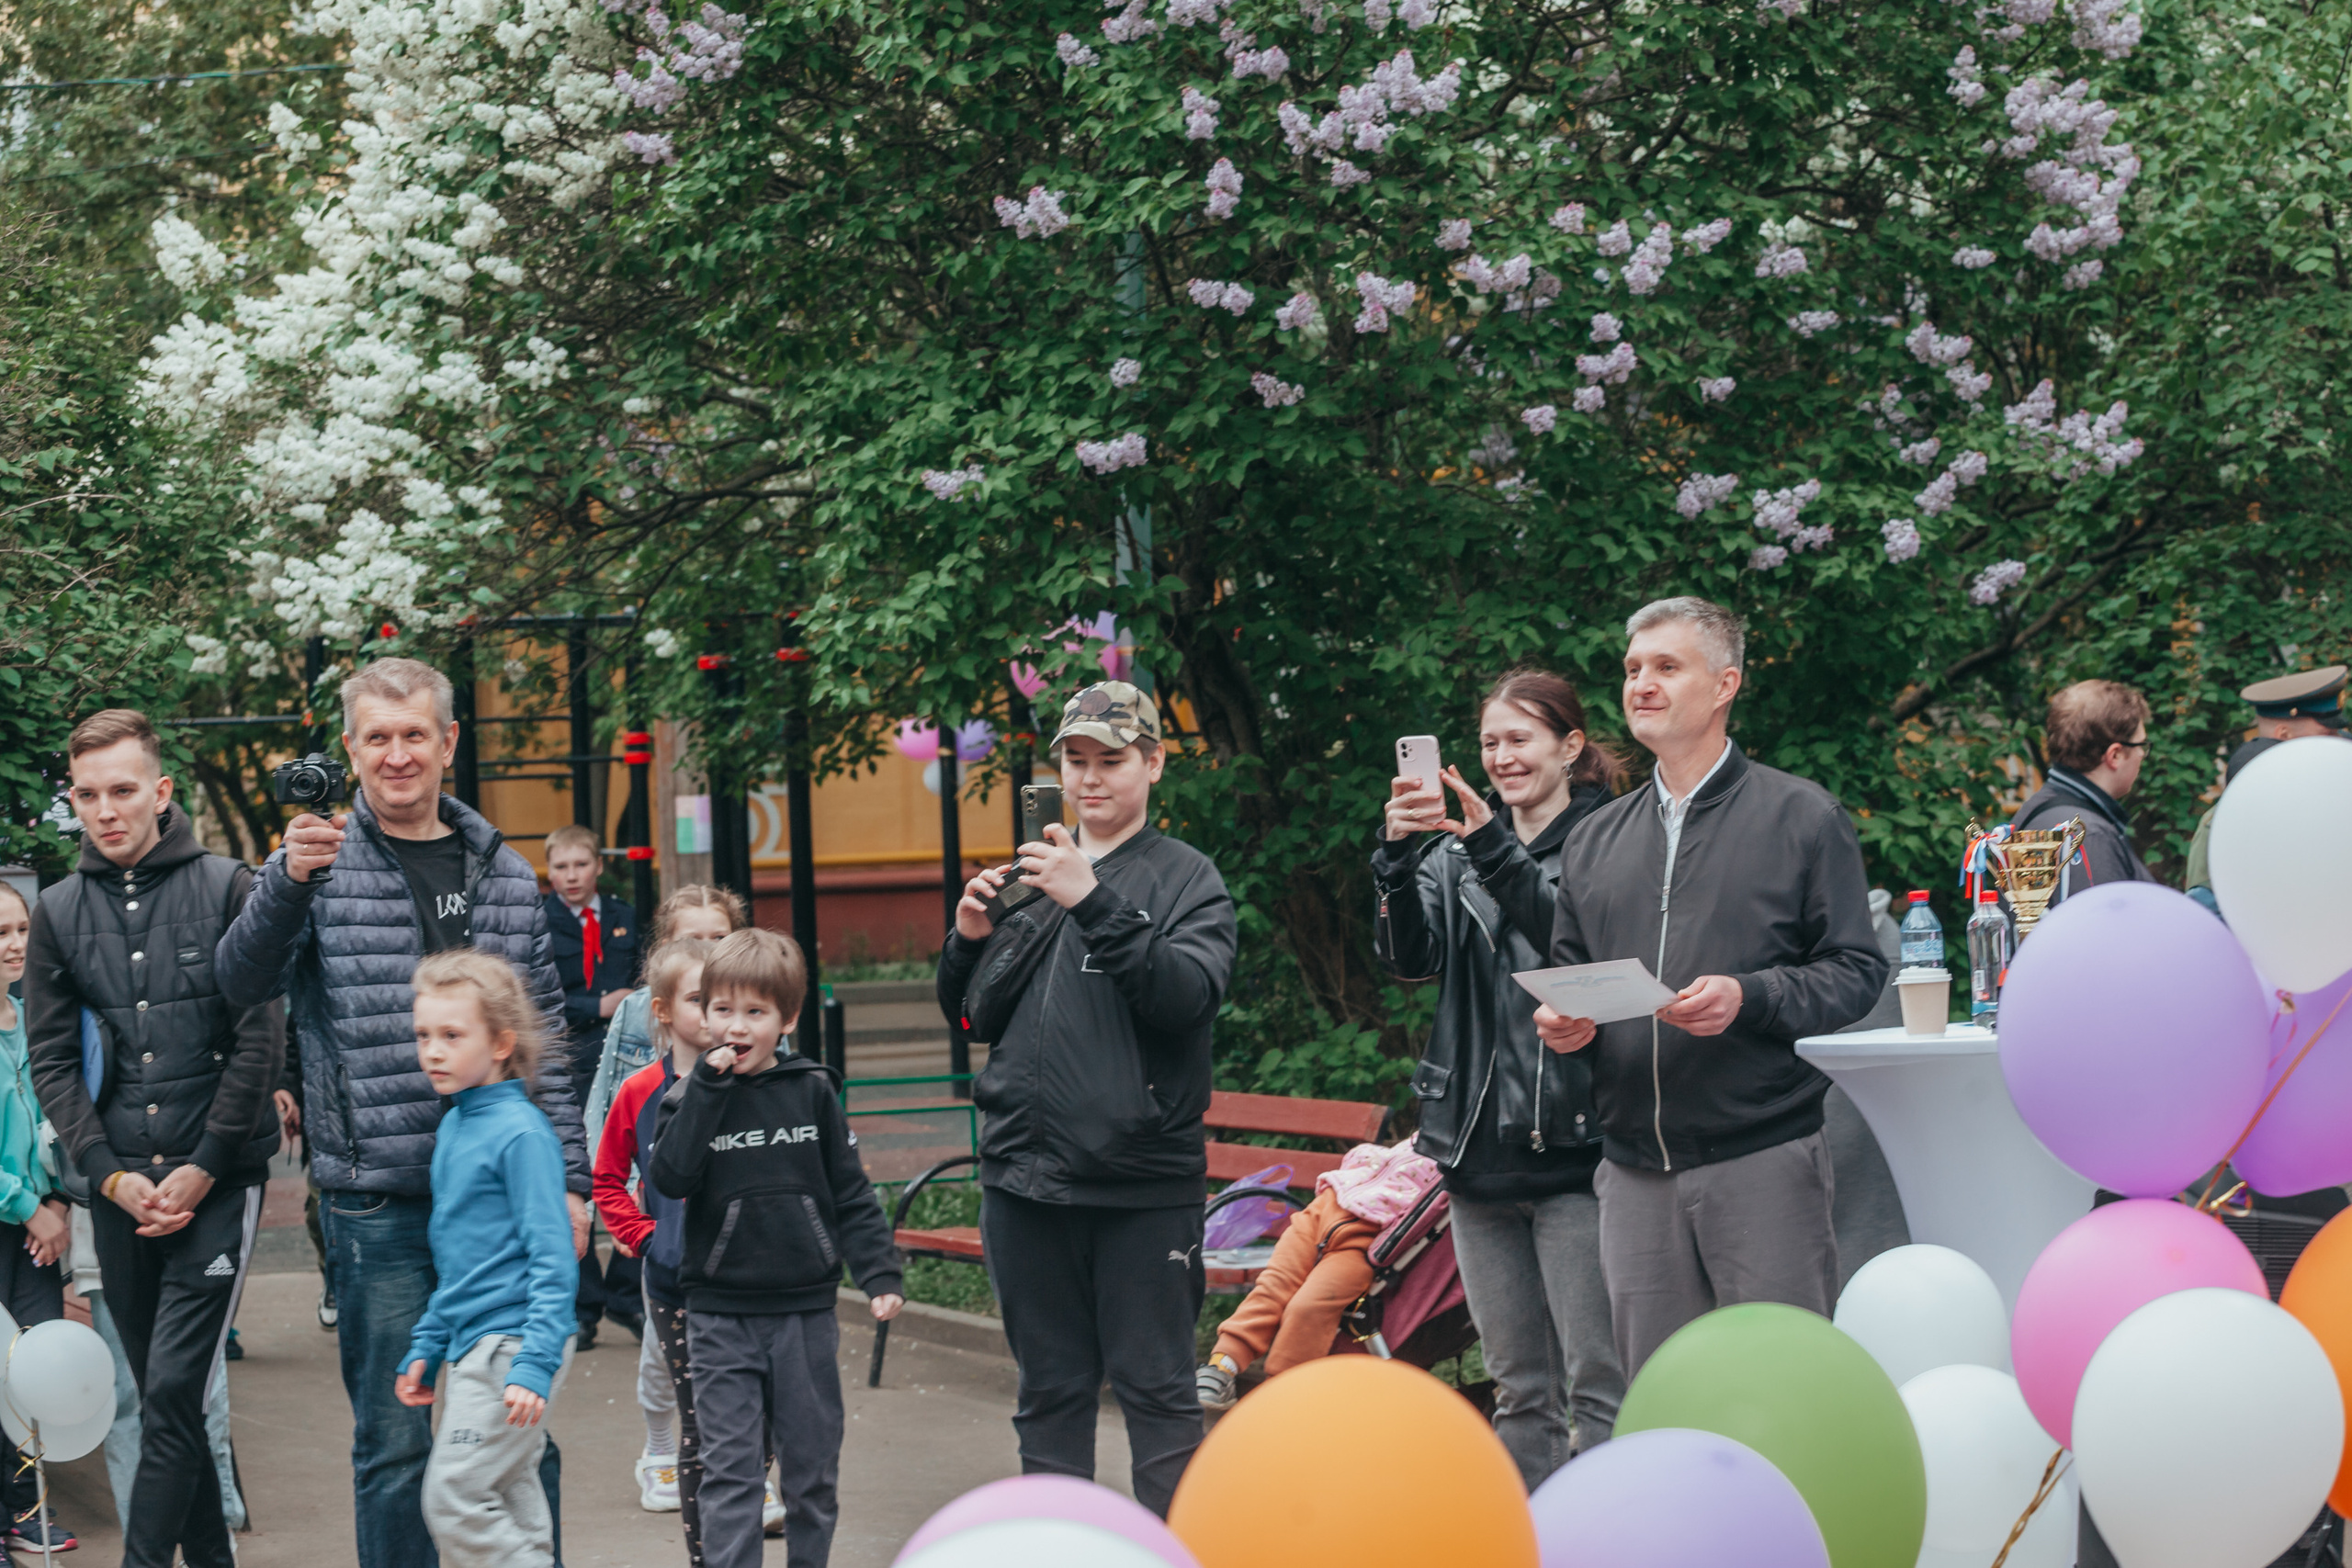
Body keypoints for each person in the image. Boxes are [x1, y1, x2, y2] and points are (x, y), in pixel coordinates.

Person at [214, 658, 592, 1568]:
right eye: (376, 738)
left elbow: (543, 1032)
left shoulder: (500, 869)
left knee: (514, 1435)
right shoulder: (317, 862)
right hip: (376, 1205)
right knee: (395, 1447)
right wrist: (287, 882)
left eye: (413, 734)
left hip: (501, 1207)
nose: (395, 755)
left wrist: (573, 1182)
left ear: (448, 743)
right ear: (350, 749)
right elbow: (238, 981)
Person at [1533, 598, 1886, 1378]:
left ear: (1725, 684)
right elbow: (1570, 975)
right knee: (1665, 1403)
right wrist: (1563, 1024)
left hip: (1761, 1162)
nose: (1641, 684)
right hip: (1630, 1175)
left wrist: (1749, 995)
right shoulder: (1593, 837)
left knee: (1786, 1394)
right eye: (1632, 669)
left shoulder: (1803, 816)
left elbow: (1857, 971)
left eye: (1666, 666)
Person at [936, 682, 1237, 1516]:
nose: (1091, 778)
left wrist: (1094, 898)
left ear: (1154, 763)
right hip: (1024, 1185)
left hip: (1141, 1188)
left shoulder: (1188, 879)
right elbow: (972, 1015)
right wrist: (966, 941)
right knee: (1050, 1396)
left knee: (1159, 1396)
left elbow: (1183, 998)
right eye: (1076, 760)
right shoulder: (1030, 877)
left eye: (1112, 760)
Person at [26, 710, 281, 1568]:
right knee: (162, 1399)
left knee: (173, 1389)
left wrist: (207, 1167)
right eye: (89, 794)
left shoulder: (229, 886)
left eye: (124, 790)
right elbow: (53, 1059)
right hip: (121, 1191)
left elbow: (259, 1038)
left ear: (161, 791)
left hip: (217, 1184)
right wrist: (105, 1175)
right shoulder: (57, 912)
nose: (106, 810)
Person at [1362, 668, 1628, 1485]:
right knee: (1520, 1390)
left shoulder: (1609, 839)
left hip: (1577, 1152)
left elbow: (1573, 951)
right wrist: (1398, 861)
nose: (1502, 757)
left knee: (1599, 1387)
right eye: (1488, 743)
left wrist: (1487, 845)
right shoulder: (1451, 853)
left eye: (1520, 739)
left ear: (1570, 746)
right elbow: (1410, 960)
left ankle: (1611, 1536)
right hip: (1476, 1155)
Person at [648, 929, 904, 1568]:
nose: (737, 1026)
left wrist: (878, 1272)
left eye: (756, 1012)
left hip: (804, 1314)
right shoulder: (688, 1096)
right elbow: (670, 1178)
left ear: (786, 1019)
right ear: (703, 1014)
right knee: (731, 1474)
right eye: (723, 1009)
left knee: (811, 1472)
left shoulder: (813, 1090)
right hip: (718, 1315)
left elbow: (850, 1191)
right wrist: (707, 1090)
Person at [395, 950, 578, 1568]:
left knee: (453, 1494)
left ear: (501, 1043)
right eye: (423, 1035)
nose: (433, 1051)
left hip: (514, 1344)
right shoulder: (455, 1127)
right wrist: (428, 1339)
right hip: (475, 1341)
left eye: (452, 1035)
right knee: (507, 1487)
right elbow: (460, 1259)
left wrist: (535, 1361)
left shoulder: (521, 1132)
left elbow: (553, 1255)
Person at [582, 886, 747, 1527]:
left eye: (718, 938)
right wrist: (629, 1222)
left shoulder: (753, 1016)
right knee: (662, 1353)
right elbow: (609, 1118)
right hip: (670, 1238)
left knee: (741, 1361)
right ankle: (660, 1450)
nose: (707, 953)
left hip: (738, 1237)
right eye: (693, 939)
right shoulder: (640, 1037)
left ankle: (742, 1473)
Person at [596, 937, 718, 1551]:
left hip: (749, 1280)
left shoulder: (756, 1080)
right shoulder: (640, 1090)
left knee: (760, 1407)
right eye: (700, 999)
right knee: (695, 1406)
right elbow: (608, 1177)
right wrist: (648, 1238)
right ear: (665, 1010)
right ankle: (712, 1532)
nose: (717, 1012)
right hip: (672, 1279)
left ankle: (751, 1481)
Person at [1196, 1140, 1440, 1402]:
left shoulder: (1460, 1158)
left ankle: (1280, 1400)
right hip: (1324, 1208)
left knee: (1308, 1309)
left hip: (1367, 1241)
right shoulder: (1428, 1132)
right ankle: (1222, 1365)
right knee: (1273, 1286)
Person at [0, 883, 78, 1552]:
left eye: (21, 928)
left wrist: (57, 1200)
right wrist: (28, 1204)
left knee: (31, 1368)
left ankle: (26, 1509)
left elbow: (64, 1119)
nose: (15, 943)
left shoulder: (35, 1022)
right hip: (14, 1217)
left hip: (37, 1230)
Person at [543, 823, 642, 1348]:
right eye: (560, 867)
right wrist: (595, 1006)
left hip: (626, 1066)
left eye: (580, 865)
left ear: (597, 866)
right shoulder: (540, 920)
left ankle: (627, 1295)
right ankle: (583, 1306)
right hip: (570, 1067)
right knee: (573, 1182)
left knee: (630, 1178)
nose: (571, 876)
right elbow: (537, 993)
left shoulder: (625, 917)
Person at [2184, 666, 2347, 906]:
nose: (2339, 742)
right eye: (2328, 733)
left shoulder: (2336, 797)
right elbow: (2208, 913)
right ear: (2284, 734)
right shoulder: (2223, 824)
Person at [2011, 679, 2156, 902]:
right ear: (2115, 755)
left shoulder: (2034, 810)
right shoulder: (2088, 837)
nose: (2142, 755)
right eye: (2141, 746)